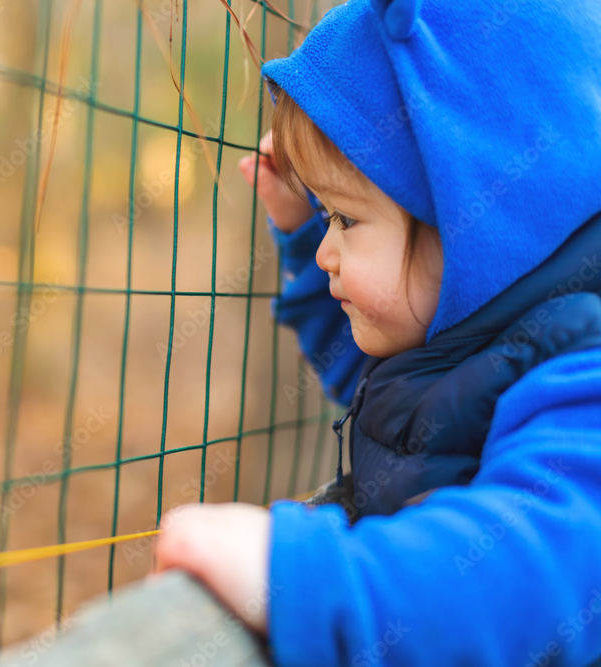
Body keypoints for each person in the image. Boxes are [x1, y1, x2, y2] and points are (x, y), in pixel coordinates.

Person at [153, 1, 601, 665]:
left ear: (467, 226)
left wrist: (310, 583)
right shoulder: (480, 328)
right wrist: (308, 237)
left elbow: (532, 571)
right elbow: (391, 403)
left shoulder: (579, 379)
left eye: (344, 219)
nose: (330, 249)